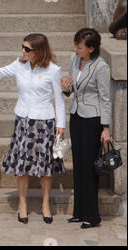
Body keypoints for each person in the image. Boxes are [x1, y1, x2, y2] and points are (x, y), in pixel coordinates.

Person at [0, 33, 66, 224]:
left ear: (38, 51)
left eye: (27, 49)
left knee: (45, 168)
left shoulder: (53, 69)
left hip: (44, 122)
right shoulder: (19, 65)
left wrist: (61, 125)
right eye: (22, 47)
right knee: (21, 166)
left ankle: (45, 204)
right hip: (23, 121)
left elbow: (59, 100)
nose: (23, 51)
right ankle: (23, 203)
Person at [61, 28, 111, 229]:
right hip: (76, 116)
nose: (75, 49)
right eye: (75, 45)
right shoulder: (74, 60)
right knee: (79, 164)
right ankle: (79, 212)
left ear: (90, 48)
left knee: (90, 168)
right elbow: (73, 87)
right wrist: (66, 89)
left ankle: (92, 216)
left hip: (93, 120)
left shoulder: (101, 66)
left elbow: (105, 99)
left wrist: (105, 127)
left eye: (79, 47)